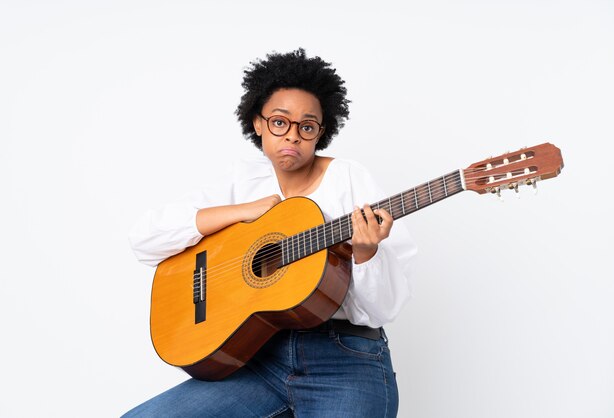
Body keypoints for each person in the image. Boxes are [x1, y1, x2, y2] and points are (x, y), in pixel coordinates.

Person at [124, 48, 418, 418]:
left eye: (307, 127)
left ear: (320, 133)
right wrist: (245, 212)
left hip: (345, 361)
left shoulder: (348, 178)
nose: (292, 136)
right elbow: (146, 240)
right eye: (280, 122)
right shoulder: (242, 179)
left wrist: (366, 254)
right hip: (259, 358)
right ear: (258, 122)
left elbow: (380, 310)